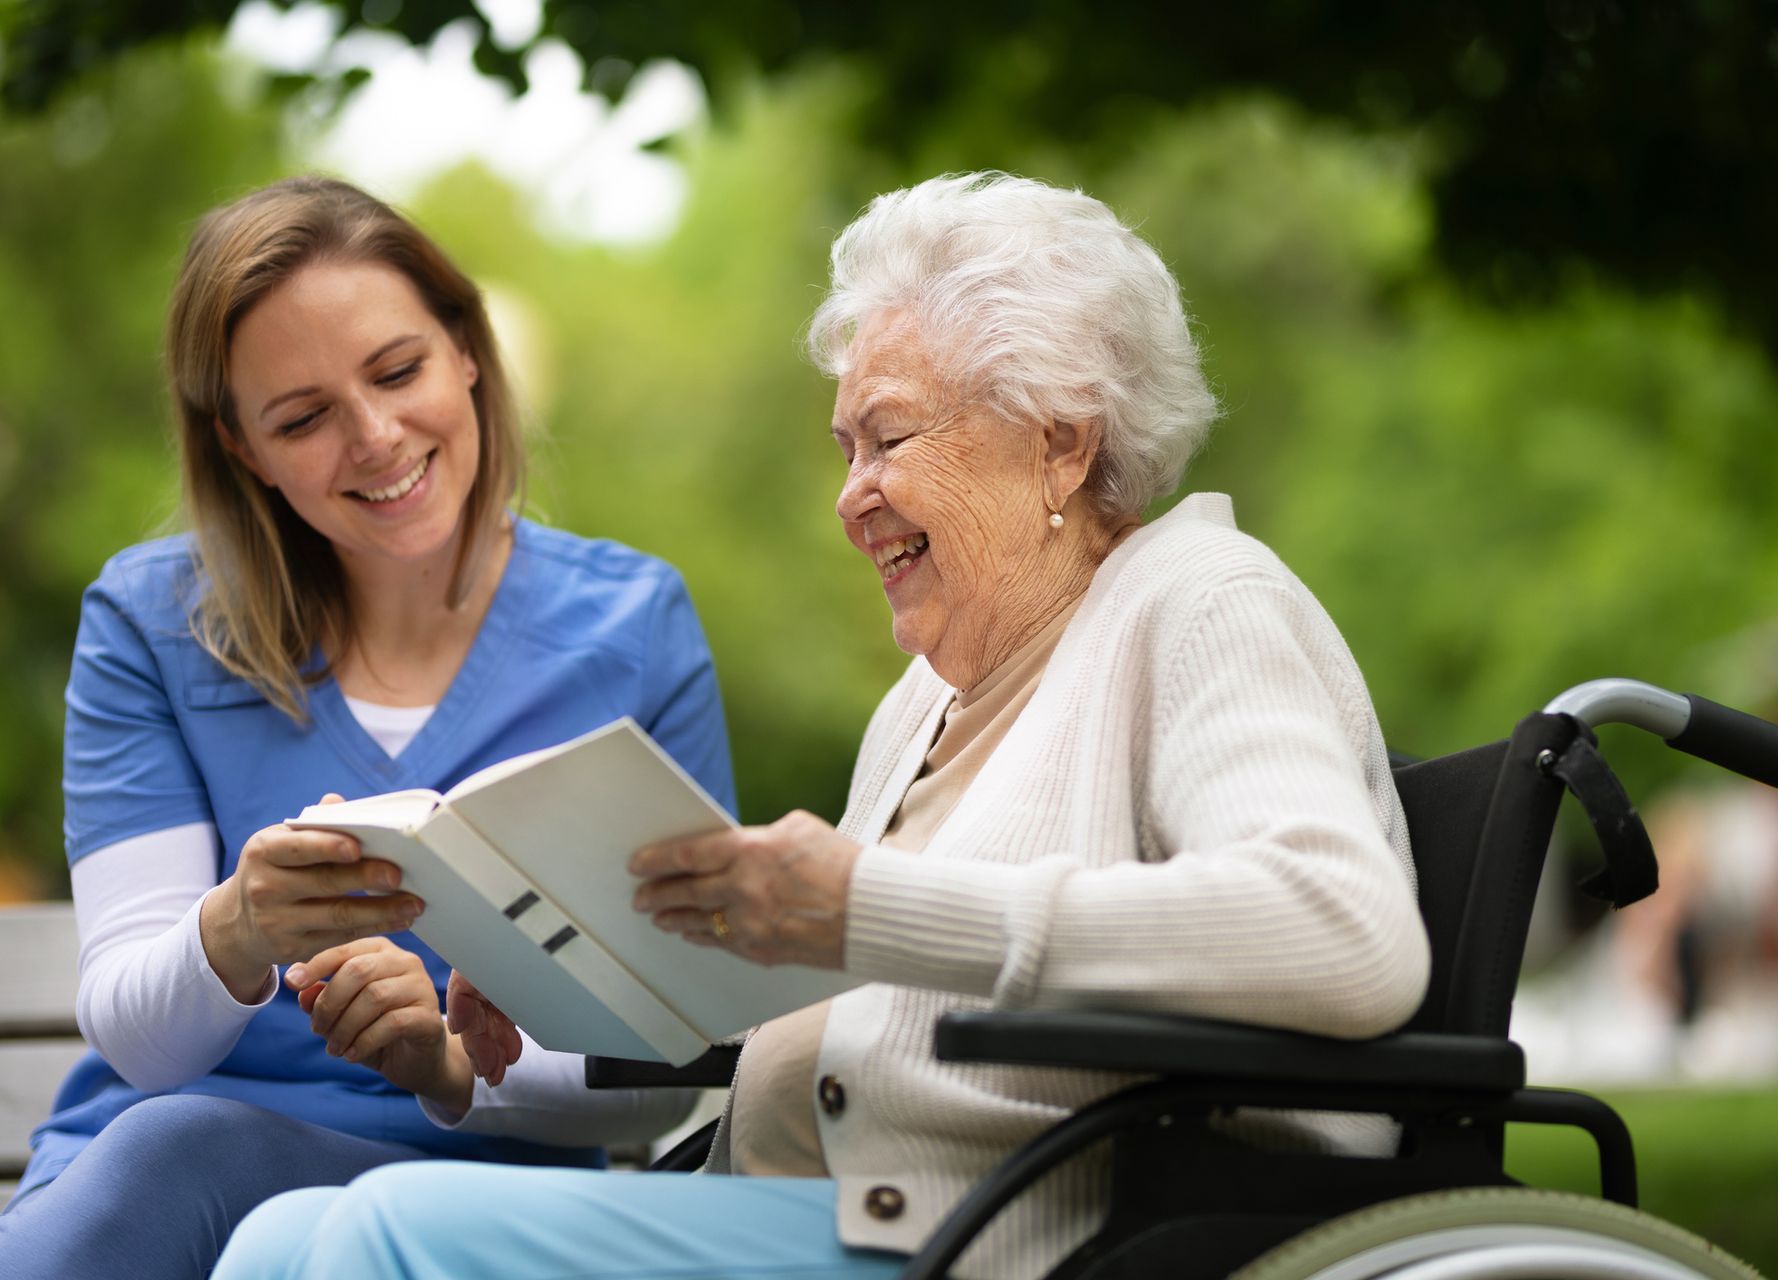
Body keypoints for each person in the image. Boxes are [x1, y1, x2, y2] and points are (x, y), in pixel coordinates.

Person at [212, 171, 1429, 1280]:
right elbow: (833, 1016)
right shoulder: (924, 708)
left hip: (1018, 1236)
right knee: (279, 1237)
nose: (849, 496)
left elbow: (1344, 931)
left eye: (889, 438)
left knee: (382, 1233)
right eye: (844, 447)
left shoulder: (1204, 601)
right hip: (823, 1207)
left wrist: (857, 905)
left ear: (1062, 440)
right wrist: (552, 981)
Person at [0, 176, 733, 1279]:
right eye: (302, 418)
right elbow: (141, 1044)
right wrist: (241, 925)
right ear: (242, 447)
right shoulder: (152, 626)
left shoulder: (632, 627)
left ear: (468, 352)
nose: (378, 437)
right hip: (151, 1189)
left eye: (399, 371)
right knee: (177, 1140)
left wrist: (445, 1062)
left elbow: (673, 1056)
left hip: (472, 1198)